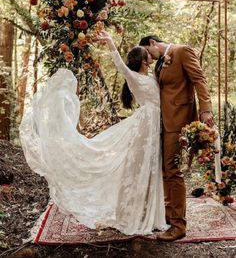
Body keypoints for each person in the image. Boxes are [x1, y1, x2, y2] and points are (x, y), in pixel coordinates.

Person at [19, 30, 170, 236]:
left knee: (151, 167)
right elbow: (119, 64)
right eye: (147, 54)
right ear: (143, 60)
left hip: (154, 124)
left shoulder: (151, 75)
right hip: (145, 128)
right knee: (140, 168)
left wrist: (168, 58)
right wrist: (110, 43)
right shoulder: (133, 77)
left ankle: (149, 215)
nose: (151, 55)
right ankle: (131, 215)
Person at [139, 35, 214, 241]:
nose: (149, 58)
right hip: (162, 122)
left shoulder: (182, 51)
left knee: (173, 170)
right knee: (165, 170)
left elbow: (199, 79)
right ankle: (169, 216)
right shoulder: (162, 61)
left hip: (179, 121)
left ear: (153, 43)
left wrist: (206, 110)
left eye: (148, 52)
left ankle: (179, 226)